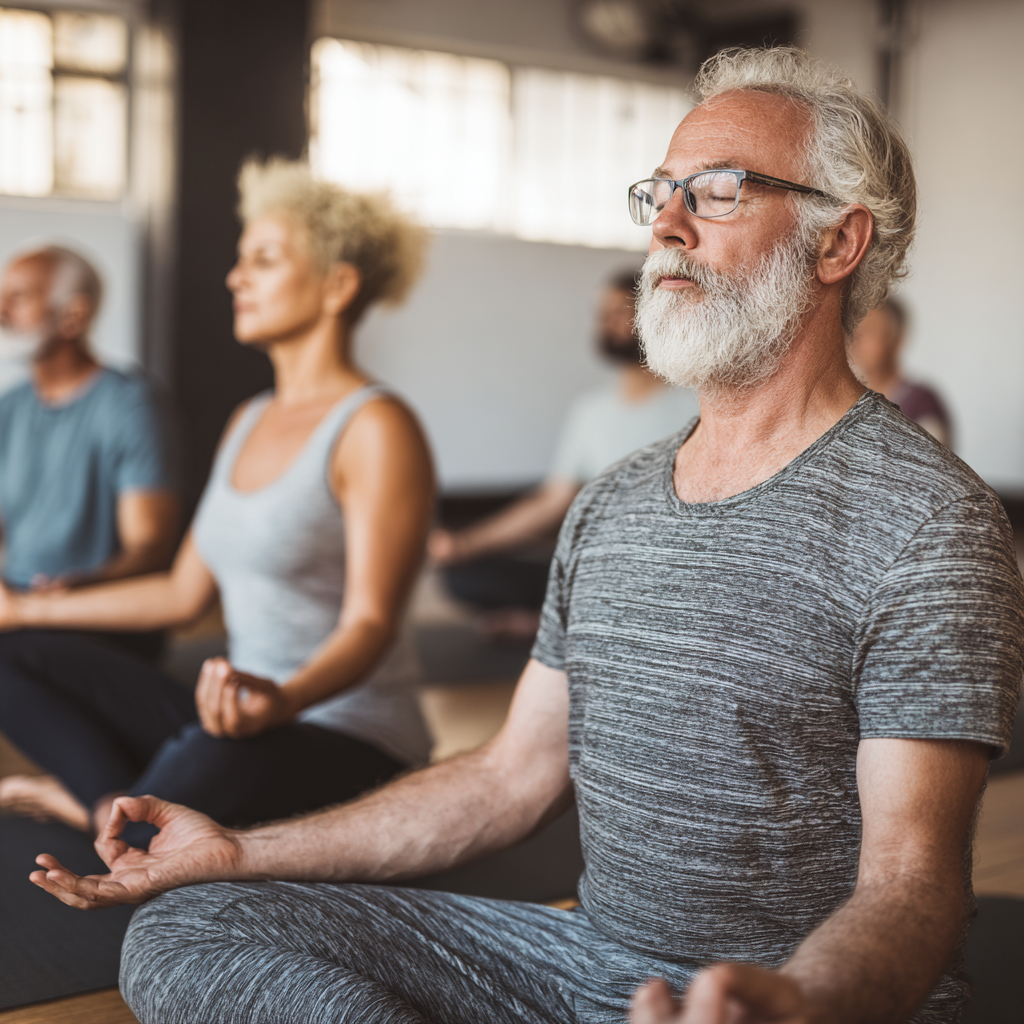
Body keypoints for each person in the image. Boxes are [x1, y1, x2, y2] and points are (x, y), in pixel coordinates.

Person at [30, 48, 1023, 1024]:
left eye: (717, 192)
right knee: (187, 924)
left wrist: (805, 1000)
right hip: (587, 961)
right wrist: (239, 852)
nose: (666, 226)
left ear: (836, 244)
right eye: (659, 192)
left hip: (778, 999)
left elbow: (912, 884)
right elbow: (511, 775)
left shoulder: (925, 519)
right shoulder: (613, 500)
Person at [0, 159, 434, 843]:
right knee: (12, 652)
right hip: (231, 709)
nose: (235, 278)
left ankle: (102, 806)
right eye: (240, 261)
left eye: (262, 260)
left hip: (343, 731)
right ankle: (113, 803)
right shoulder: (249, 418)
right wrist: (21, 609)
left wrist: (282, 699)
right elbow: (180, 594)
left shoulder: (376, 427)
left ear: (337, 285)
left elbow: (372, 623)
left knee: (162, 825)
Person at [429, 269, 698, 634]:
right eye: (603, 313)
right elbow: (551, 500)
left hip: (663, 568)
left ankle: (553, 624)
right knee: (462, 576)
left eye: (623, 311)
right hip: (593, 566)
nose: (610, 322)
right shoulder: (590, 412)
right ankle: (569, 620)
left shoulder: (696, 404)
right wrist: (463, 544)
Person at [0, 246, 178, 608]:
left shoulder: (131, 406)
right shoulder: (11, 406)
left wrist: (68, 594)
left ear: (74, 316)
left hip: (94, 613)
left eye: (18, 297)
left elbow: (149, 549)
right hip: (19, 605)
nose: (2, 312)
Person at [848, 295, 952, 445]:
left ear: (895, 339)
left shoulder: (922, 403)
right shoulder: (848, 402)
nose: (856, 340)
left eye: (869, 331)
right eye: (854, 330)